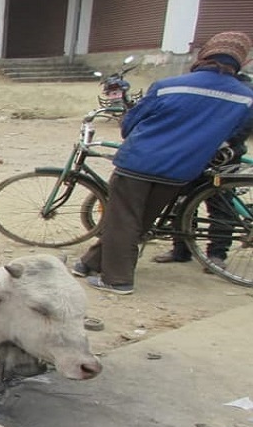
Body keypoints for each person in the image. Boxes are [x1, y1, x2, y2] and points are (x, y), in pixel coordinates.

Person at [73, 31, 253, 295]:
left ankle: (117, 280)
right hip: (181, 170)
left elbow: (131, 123)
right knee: (140, 221)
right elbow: (234, 135)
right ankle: (89, 263)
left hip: (140, 163)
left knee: (121, 221)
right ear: (241, 60)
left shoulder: (169, 85)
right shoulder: (244, 97)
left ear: (205, 54)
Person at [150, 71, 253, 271]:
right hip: (191, 153)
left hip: (223, 156)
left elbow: (243, 127)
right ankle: (181, 250)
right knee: (181, 202)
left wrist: (223, 143)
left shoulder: (243, 91)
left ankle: (216, 254)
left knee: (219, 204)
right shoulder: (201, 84)